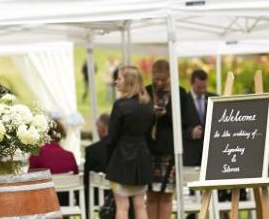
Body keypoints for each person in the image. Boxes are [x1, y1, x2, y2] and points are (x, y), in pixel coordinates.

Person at [144, 59, 196, 219]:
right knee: (151, 196)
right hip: (149, 150)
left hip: (170, 151)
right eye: (156, 79)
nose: (159, 83)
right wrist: (150, 114)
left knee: (166, 196)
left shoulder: (179, 93)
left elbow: (186, 122)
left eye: (163, 79)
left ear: (170, 77)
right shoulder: (146, 92)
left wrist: (165, 115)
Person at [105, 65, 155, 219]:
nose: (116, 82)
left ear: (129, 81)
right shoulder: (148, 105)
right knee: (140, 205)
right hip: (142, 158)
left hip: (121, 159)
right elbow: (149, 135)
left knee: (122, 207)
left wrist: (108, 160)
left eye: (119, 78)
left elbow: (112, 138)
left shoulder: (120, 105)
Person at [29, 121, 78, 206]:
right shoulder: (69, 155)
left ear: (45, 135)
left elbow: (30, 178)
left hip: (43, 202)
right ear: (61, 135)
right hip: (65, 203)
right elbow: (75, 178)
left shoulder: (36, 153)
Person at [183, 69, 216, 167]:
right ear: (191, 83)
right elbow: (177, 128)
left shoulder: (214, 98)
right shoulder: (182, 101)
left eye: (204, 87)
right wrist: (191, 132)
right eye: (199, 87)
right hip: (191, 155)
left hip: (211, 154)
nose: (202, 90)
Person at [84, 113, 111, 215]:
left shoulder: (92, 150)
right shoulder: (121, 148)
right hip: (117, 194)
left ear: (102, 129)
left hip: (94, 197)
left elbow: (86, 179)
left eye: (97, 128)